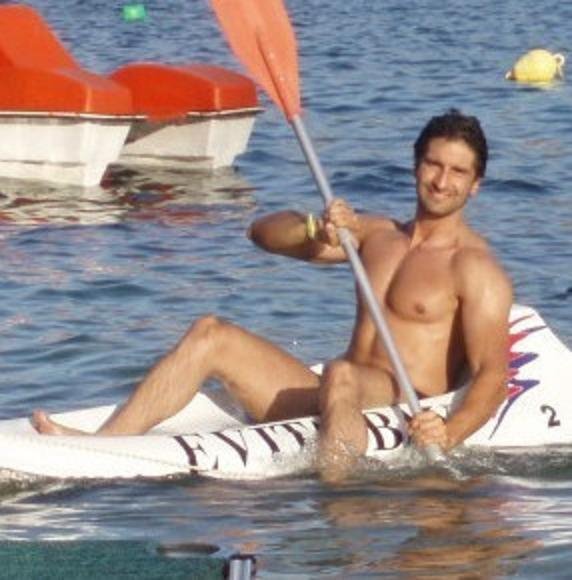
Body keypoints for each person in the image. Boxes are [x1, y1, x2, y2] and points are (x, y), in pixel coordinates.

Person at [32, 109, 512, 474]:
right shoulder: (374, 234)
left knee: (341, 373)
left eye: (458, 172)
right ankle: (106, 447)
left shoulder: (475, 268)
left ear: (476, 185)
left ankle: (337, 509)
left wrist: (449, 433)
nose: (441, 181)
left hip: (398, 407)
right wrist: (314, 228)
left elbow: (493, 376)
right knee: (211, 333)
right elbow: (262, 234)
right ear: (416, 165)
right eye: (433, 164)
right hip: (335, 397)